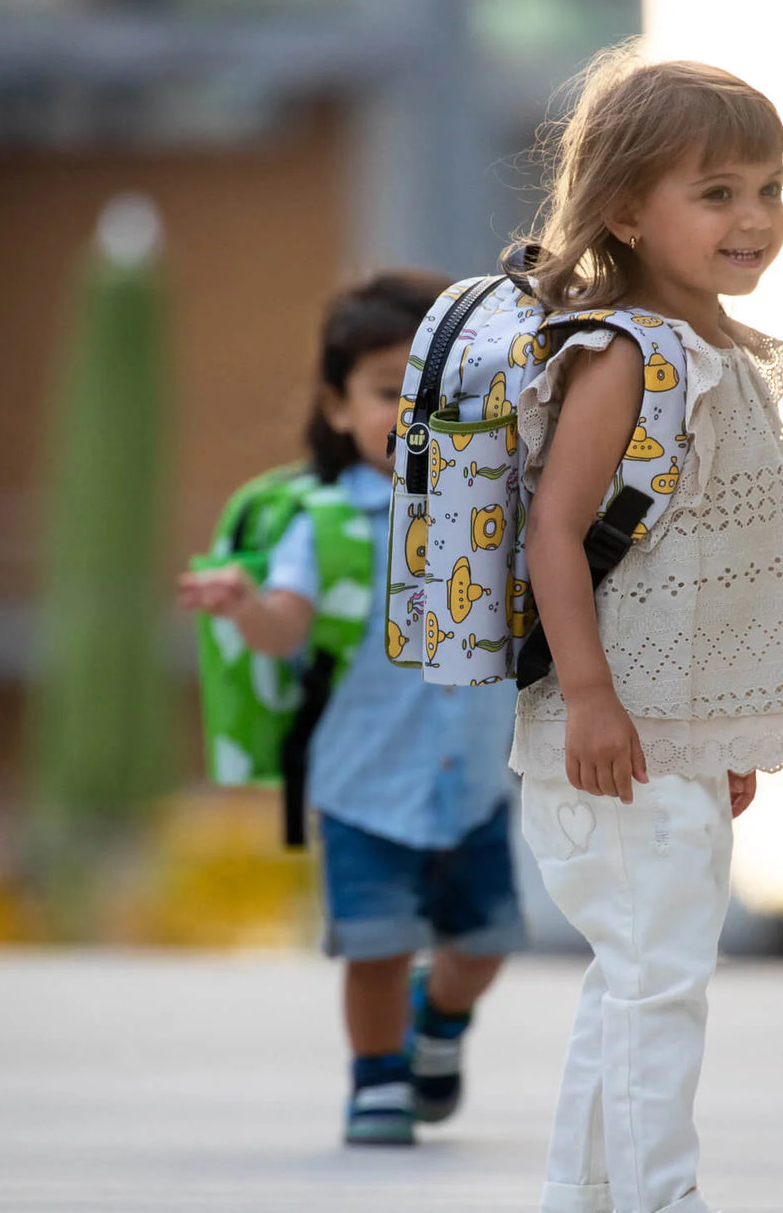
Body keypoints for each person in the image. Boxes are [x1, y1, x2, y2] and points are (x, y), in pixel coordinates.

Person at [508, 47, 783, 1213]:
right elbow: (555, 535)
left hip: (671, 733)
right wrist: (597, 698)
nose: (752, 218)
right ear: (625, 208)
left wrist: (725, 733)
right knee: (657, 981)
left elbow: (704, 571)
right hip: (612, 729)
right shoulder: (625, 355)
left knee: (637, 976)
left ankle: (588, 1192)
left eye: (766, 188)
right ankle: (661, 1195)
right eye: (715, 193)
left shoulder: (715, 352)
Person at [178, 272, 525, 1147]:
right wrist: (240, 606)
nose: (413, 412)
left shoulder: (491, 506)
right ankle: (376, 1081)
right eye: (386, 391)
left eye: (436, 392)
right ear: (338, 408)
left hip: (475, 779)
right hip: (363, 780)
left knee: (481, 944)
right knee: (373, 945)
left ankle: (439, 1023)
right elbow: (285, 626)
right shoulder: (327, 524)